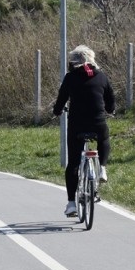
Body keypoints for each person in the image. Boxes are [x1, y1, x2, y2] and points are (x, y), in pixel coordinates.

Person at [53, 45, 116, 216]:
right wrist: (110, 110)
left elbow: (61, 100)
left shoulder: (70, 78)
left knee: (73, 163)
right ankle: (102, 167)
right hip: (98, 123)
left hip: (77, 125)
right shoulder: (101, 76)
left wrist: (57, 111)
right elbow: (110, 99)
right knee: (103, 139)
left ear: (73, 62)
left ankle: (71, 204)